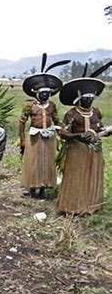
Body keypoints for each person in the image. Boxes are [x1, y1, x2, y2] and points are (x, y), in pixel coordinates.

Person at [57, 64, 111, 215]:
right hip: (77, 150)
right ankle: (72, 206)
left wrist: (105, 132)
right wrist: (77, 136)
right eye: (86, 98)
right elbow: (63, 133)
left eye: (91, 98)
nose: (89, 101)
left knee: (93, 175)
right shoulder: (72, 114)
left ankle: (91, 205)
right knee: (76, 176)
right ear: (79, 99)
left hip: (95, 150)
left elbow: (99, 128)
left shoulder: (96, 113)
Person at [19, 55, 68, 199]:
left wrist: (63, 133)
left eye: (48, 93)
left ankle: (43, 188)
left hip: (49, 137)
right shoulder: (30, 106)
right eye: (43, 93)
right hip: (34, 137)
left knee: (47, 161)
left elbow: (57, 121)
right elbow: (21, 123)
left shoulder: (52, 106)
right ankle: (33, 188)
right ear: (37, 93)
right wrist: (22, 140)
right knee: (33, 161)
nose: (45, 95)